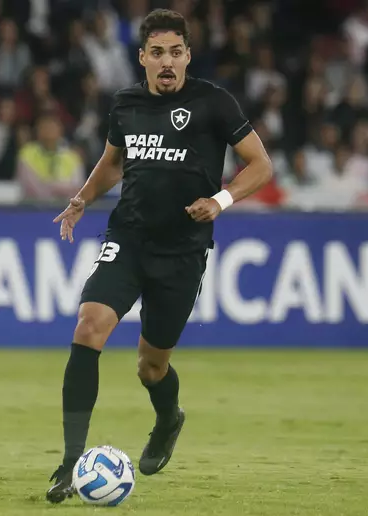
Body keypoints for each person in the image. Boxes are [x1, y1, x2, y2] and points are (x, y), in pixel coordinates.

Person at [46, 9, 273, 503]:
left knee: (151, 366)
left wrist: (220, 200)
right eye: (157, 54)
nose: (167, 62)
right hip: (128, 237)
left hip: (182, 251)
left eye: (176, 52)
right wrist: (83, 198)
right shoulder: (125, 103)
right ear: (142, 57)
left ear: (188, 55)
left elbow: (261, 164)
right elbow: (112, 162)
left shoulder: (214, 103)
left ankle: (168, 417)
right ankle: (68, 463)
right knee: (89, 326)